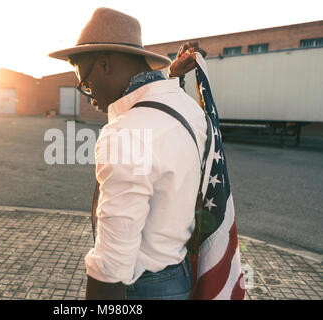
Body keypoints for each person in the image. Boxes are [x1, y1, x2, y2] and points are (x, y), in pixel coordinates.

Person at [49, 7, 209, 300]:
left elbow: (112, 263)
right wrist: (171, 74)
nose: (88, 92)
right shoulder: (188, 111)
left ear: (105, 64)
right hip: (180, 275)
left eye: (84, 82)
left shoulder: (126, 131)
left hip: (144, 289)